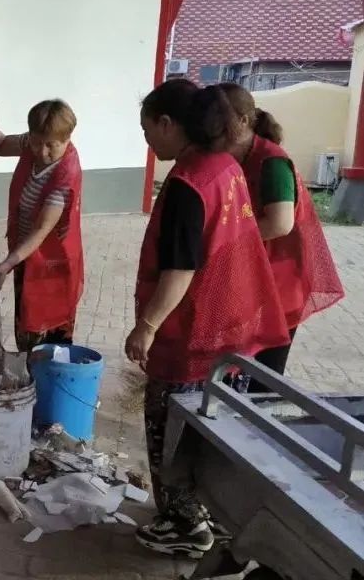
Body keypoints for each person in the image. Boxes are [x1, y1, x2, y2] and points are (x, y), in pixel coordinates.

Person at [125, 79, 290, 558]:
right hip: (230, 331)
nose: (147, 141)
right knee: (211, 430)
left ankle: (185, 524)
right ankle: (211, 513)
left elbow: (180, 268)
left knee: (172, 428)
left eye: (147, 130)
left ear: (167, 123)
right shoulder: (225, 166)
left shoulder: (188, 183)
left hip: (191, 334)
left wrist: (147, 327)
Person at [218, 82, 344, 386]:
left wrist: (224, 241)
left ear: (242, 121)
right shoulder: (237, 158)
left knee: (264, 376)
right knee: (235, 370)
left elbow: (280, 223)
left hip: (279, 282)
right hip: (252, 276)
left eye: (218, 122)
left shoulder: (272, 162)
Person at [0, 99, 84, 352]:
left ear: (67, 139)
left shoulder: (66, 175)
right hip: (25, 256)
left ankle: (47, 373)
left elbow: (41, 230)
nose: (41, 152)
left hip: (53, 265)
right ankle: (27, 367)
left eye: (51, 146)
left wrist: (7, 264)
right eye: (36, 142)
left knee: (47, 334)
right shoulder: (30, 143)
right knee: (25, 325)